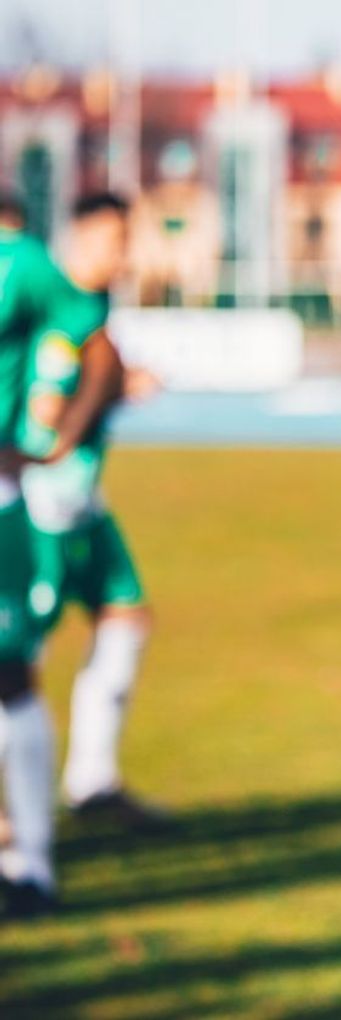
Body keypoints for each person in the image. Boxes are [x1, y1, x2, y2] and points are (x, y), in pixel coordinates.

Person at [15, 192, 166, 837]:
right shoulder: (59, 307)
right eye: (113, 241)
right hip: (41, 506)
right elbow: (47, 411)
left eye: (126, 240)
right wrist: (113, 389)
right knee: (17, 660)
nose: (123, 254)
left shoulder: (93, 304)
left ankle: (92, 780)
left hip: (83, 503)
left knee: (126, 617)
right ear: (79, 238)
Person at [0, 193, 127, 917]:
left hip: (21, 500)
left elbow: (98, 346)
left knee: (15, 670)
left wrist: (56, 442)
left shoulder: (20, 261)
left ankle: (29, 862)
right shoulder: (26, 262)